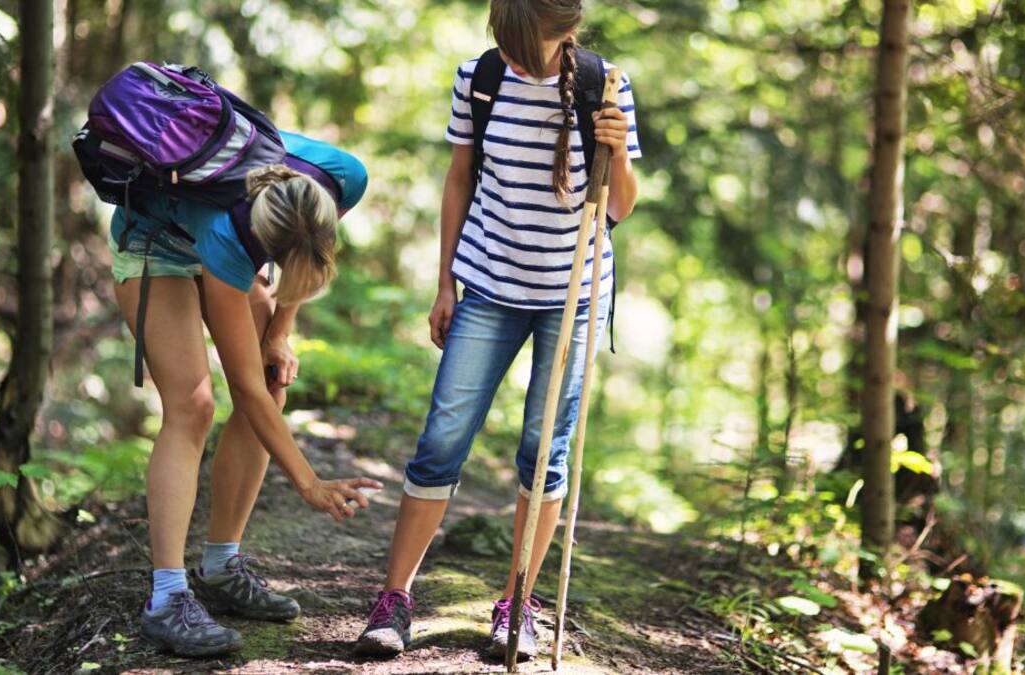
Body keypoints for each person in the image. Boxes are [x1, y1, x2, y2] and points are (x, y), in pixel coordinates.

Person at [354, 0, 641, 662]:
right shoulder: (479, 78)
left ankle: (517, 601)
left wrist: (617, 148)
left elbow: (620, 206)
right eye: (502, 42)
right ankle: (394, 597)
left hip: (571, 297)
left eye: (521, 46)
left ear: (563, 33)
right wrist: (445, 280)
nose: (509, 55)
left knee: (545, 452)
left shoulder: (606, 84)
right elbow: (459, 180)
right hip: (486, 282)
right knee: (442, 437)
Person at [108, 130, 383, 657]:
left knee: (274, 375)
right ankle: (166, 599)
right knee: (193, 406)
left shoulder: (340, 178)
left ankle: (219, 566)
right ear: (262, 245)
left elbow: (305, 255)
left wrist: (280, 332)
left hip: (240, 237)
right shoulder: (225, 237)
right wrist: (310, 483)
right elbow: (246, 390)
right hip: (154, 244)